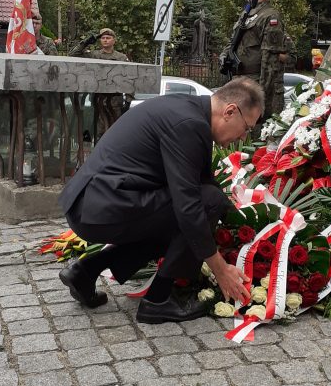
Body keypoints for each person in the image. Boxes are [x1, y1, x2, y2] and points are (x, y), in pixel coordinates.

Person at [58, 77, 263, 323]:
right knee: (203, 205)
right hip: (102, 206)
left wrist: (243, 221)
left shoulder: (188, 111)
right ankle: (159, 300)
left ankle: (86, 272)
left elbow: (201, 180)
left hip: (96, 203)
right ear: (230, 111)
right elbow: (190, 205)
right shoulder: (189, 123)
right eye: (247, 128)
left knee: (191, 212)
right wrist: (221, 270)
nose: (243, 137)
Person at [219, 0, 285, 120]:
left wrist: (258, 103)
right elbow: (233, 43)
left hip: (253, 94)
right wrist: (225, 55)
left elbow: (269, 65)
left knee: (253, 143)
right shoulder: (246, 15)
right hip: (239, 88)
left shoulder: (270, 16)